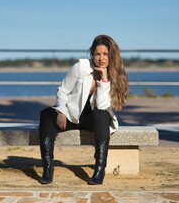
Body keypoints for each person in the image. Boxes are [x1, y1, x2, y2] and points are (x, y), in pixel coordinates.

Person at [38, 35, 130, 185]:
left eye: (105, 54)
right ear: (92, 54)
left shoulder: (114, 76)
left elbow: (101, 105)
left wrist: (104, 79)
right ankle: (47, 168)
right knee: (46, 114)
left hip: (92, 121)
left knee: (102, 114)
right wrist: (61, 111)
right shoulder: (80, 67)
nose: (101, 58)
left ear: (111, 55)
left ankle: (99, 169)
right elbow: (63, 91)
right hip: (71, 116)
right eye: (97, 54)